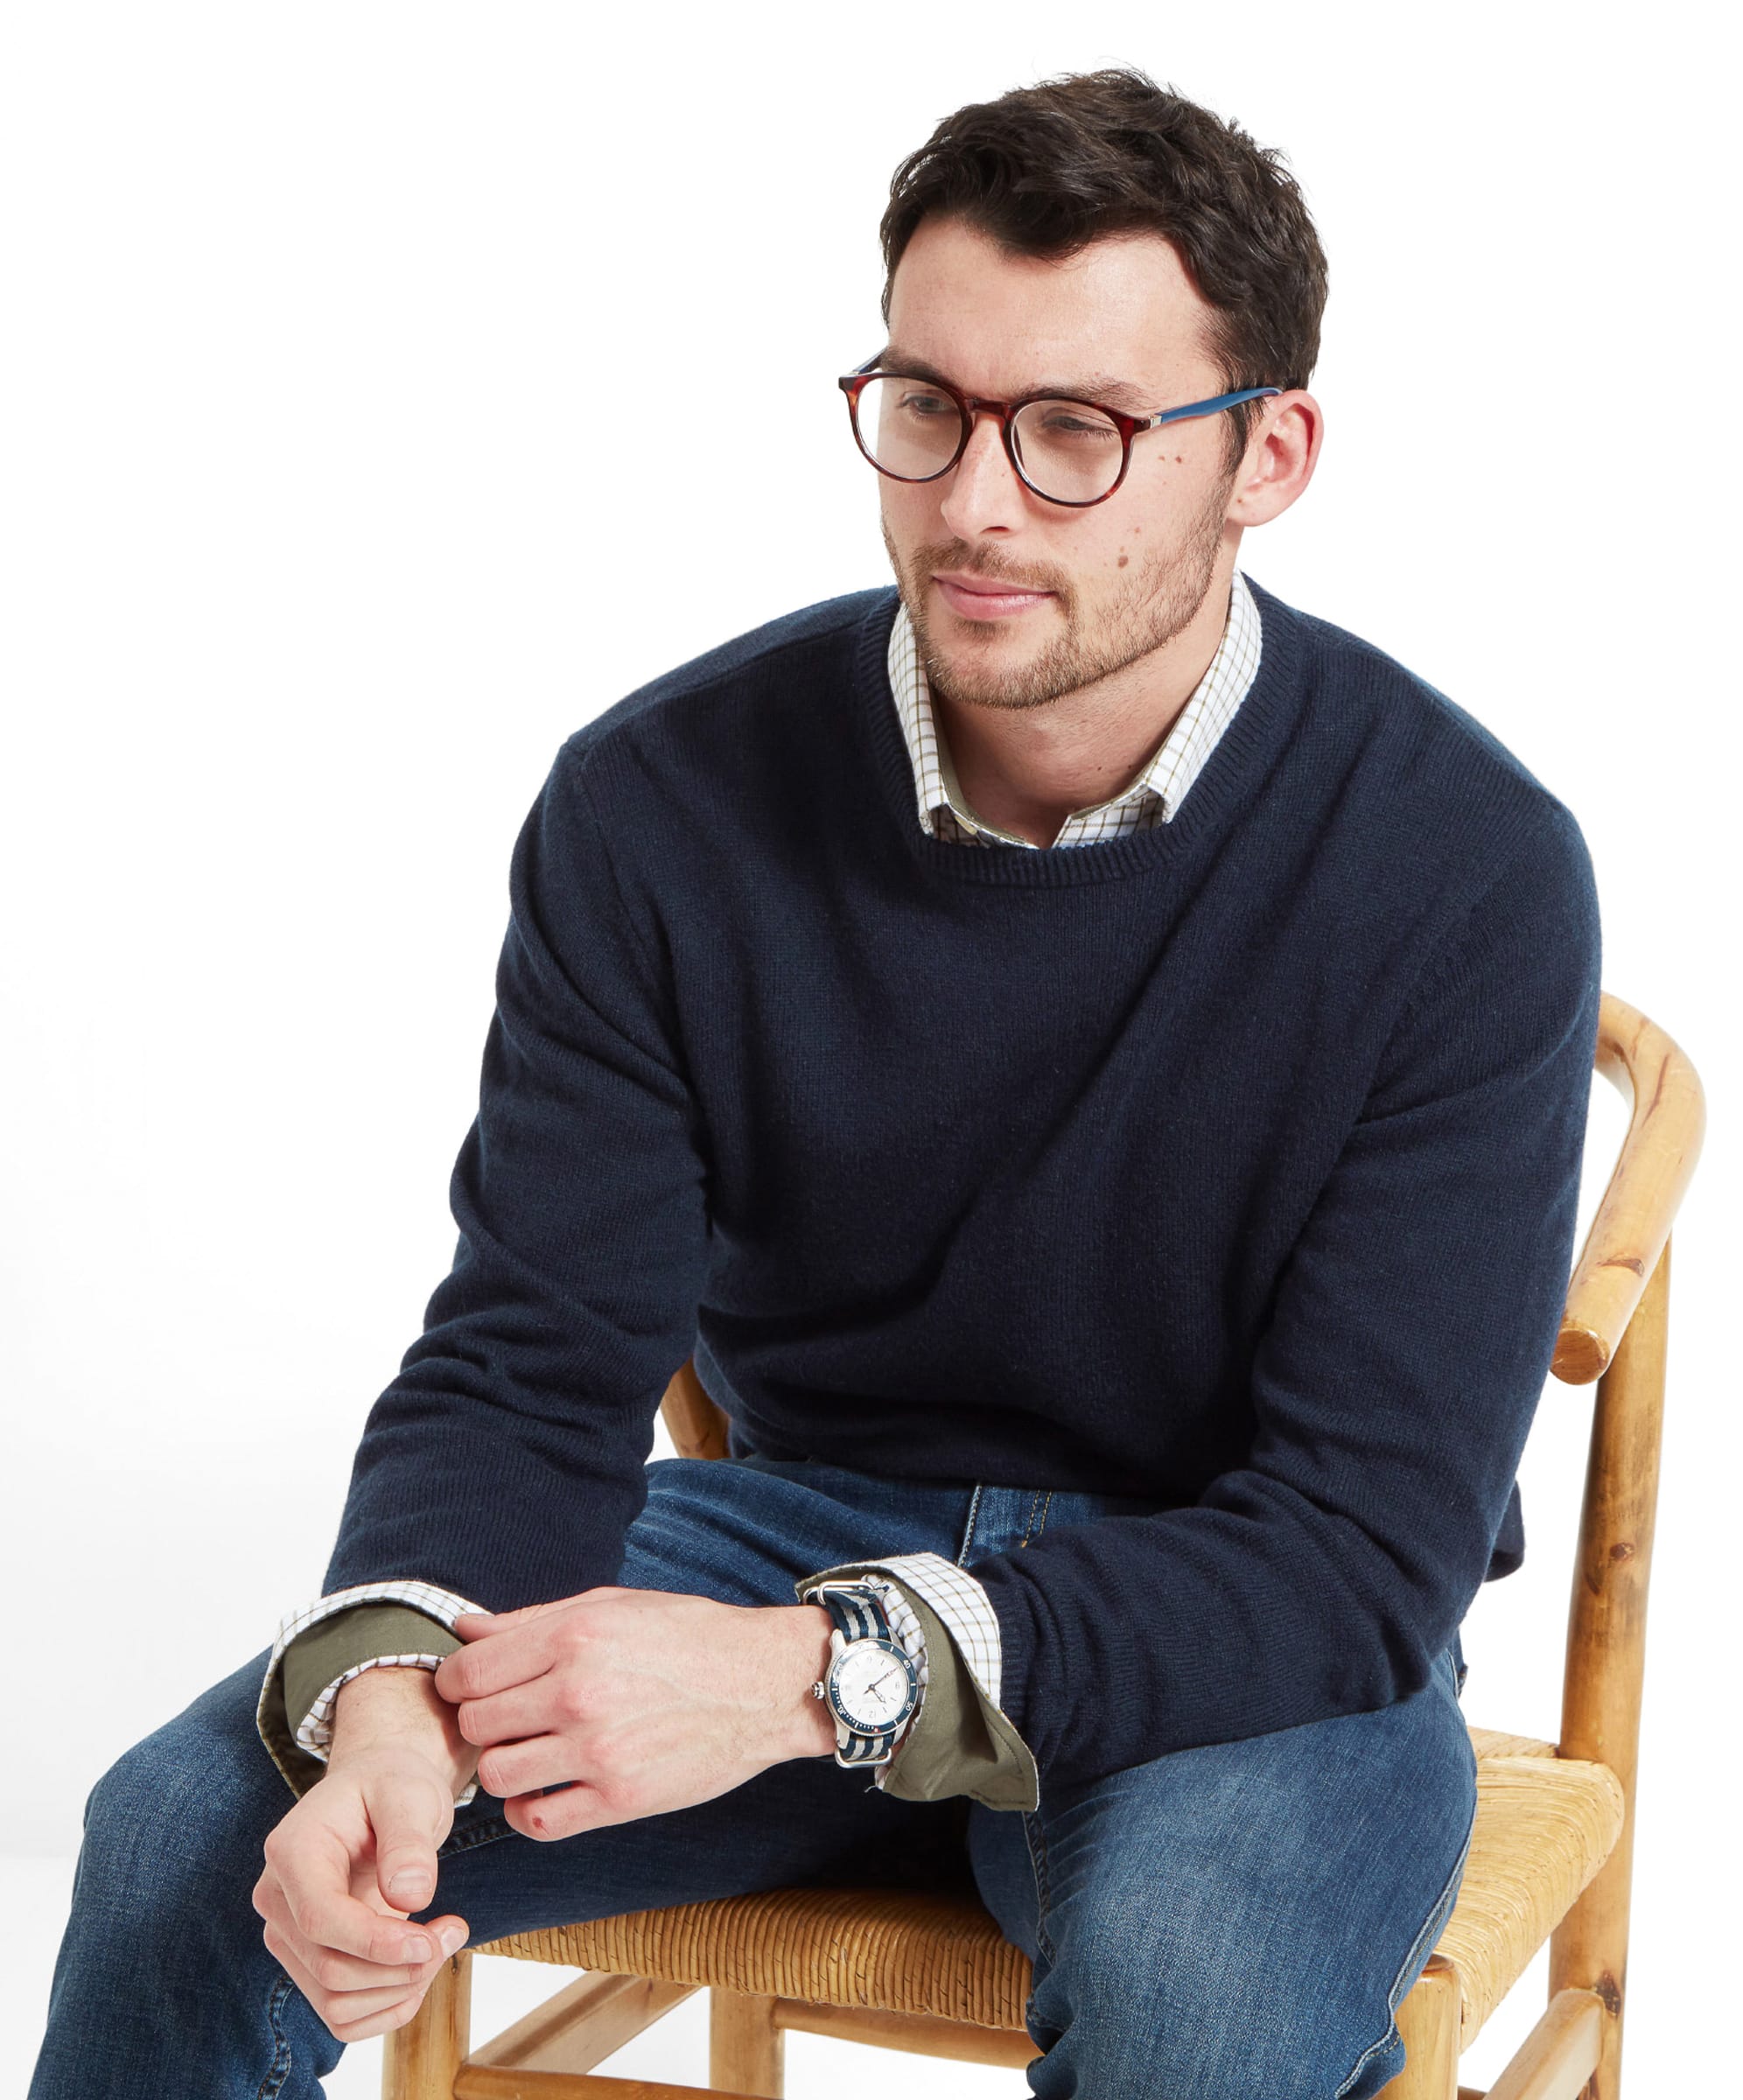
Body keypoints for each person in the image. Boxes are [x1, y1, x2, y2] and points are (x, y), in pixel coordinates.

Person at [31, 65, 1601, 2100]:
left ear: (1269, 454)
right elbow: (530, 1357)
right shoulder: (660, 802)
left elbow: (1358, 1550)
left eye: (1079, 433)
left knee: (1200, 2005)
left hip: (1231, 1601)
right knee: (186, 1833)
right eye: (928, 406)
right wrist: (403, 1684)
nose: (972, 501)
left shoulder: (1463, 868)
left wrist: (817, 1676)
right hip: (793, 1520)